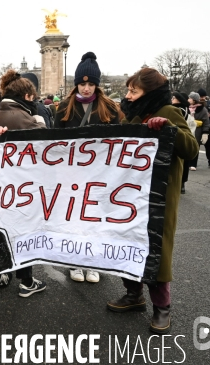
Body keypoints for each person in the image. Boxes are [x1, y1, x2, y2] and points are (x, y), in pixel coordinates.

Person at [108, 67, 198, 334]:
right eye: (128, 90)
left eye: (133, 91)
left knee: (156, 250)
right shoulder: (132, 115)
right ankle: (133, 294)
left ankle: (162, 307)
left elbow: (191, 148)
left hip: (158, 197)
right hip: (130, 195)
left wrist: (169, 129)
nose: (128, 95)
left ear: (150, 92)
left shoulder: (168, 112)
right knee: (128, 243)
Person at [55, 52, 119, 283]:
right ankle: (75, 261)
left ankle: (93, 262)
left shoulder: (109, 107)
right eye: (82, 84)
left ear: (97, 85)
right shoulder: (64, 107)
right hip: (72, 174)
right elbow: (55, 143)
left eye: (91, 84)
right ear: (76, 85)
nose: (86, 88)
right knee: (74, 219)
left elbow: (120, 141)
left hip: (100, 174)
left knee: (95, 219)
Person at [0, 70, 47, 295]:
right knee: (23, 233)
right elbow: (44, 142)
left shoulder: (1, 113)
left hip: (4, 186)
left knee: (3, 231)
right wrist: (40, 121)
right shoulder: (22, 116)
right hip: (22, 186)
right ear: (28, 96)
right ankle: (26, 281)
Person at [171, 92, 192, 193]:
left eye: (174, 98)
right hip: (186, 135)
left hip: (179, 136)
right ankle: (183, 183)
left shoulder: (177, 109)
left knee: (178, 162)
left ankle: (180, 183)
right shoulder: (186, 109)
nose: (172, 99)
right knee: (185, 162)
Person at [187, 92, 210, 171]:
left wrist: (205, 133)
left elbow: (206, 122)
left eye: (190, 98)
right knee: (186, 146)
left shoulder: (203, 109)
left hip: (197, 130)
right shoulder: (187, 107)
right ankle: (186, 163)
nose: (188, 99)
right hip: (188, 129)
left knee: (195, 147)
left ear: (194, 100)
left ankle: (193, 164)